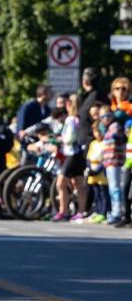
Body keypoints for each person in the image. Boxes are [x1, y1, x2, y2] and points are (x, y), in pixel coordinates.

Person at [53, 94, 87, 222]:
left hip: (71, 154)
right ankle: (80, 211)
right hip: (78, 154)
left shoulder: (71, 120)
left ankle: (64, 210)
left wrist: (60, 139)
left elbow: (69, 138)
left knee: (61, 183)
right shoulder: (78, 119)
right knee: (78, 184)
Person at [100, 105, 126, 225]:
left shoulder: (114, 127)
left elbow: (116, 137)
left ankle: (118, 212)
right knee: (112, 188)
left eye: (105, 116)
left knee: (115, 188)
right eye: (102, 117)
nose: (103, 119)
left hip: (115, 162)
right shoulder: (107, 129)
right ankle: (116, 211)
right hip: (109, 162)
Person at [78, 67, 110, 147]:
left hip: (92, 142)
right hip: (90, 140)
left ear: (85, 81)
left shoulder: (94, 97)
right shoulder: (100, 95)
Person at [85, 121, 109, 224]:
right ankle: (98, 211)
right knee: (96, 193)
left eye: (99, 131)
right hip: (93, 170)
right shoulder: (93, 144)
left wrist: (98, 170)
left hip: (101, 171)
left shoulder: (105, 143)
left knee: (103, 193)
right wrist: (89, 168)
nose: (98, 134)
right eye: (96, 132)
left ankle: (103, 212)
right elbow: (89, 158)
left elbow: (105, 159)